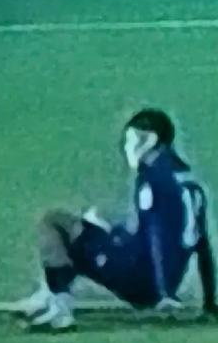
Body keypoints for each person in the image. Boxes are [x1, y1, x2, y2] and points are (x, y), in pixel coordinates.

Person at [15, 109, 217, 330]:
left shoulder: (153, 180)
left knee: (53, 222)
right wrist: (209, 302)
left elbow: (155, 236)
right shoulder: (191, 184)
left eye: (131, 140)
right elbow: (201, 245)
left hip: (139, 280)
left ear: (149, 140)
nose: (126, 147)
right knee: (88, 232)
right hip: (159, 279)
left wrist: (163, 296)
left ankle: (58, 305)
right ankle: (51, 293)